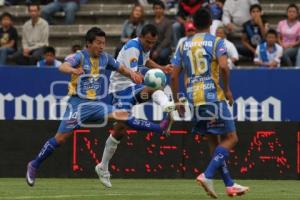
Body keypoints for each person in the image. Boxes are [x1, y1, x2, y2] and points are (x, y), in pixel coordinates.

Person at [25, 27, 172, 187]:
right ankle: (34, 164)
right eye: (98, 43)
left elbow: (121, 68)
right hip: (78, 105)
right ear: (88, 43)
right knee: (60, 139)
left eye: (103, 43)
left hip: (96, 105)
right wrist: (74, 70)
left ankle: (160, 128)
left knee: (124, 117)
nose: (102, 46)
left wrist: (132, 74)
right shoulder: (80, 56)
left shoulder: (105, 58)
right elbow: (62, 67)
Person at [170, 8, 249, 198]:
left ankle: (229, 184)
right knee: (231, 138)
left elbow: (173, 75)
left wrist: (176, 100)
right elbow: (223, 66)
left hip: (193, 98)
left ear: (193, 24)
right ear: (211, 23)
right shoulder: (217, 42)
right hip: (212, 96)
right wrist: (227, 89)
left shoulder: (183, 45)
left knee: (213, 140)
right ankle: (208, 174)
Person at [95, 24, 175, 188]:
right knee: (123, 125)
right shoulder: (133, 47)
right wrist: (154, 76)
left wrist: (161, 68)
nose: (150, 46)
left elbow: (146, 60)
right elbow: (135, 76)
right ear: (141, 36)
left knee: (121, 128)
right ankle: (159, 125)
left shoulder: (144, 47)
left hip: (130, 89)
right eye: (148, 42)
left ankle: (102, 167)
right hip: (119, 91)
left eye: (153, 43)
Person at [150, 0, 173, 65]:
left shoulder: (167, 22)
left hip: (165, 46)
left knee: (162, 55)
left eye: (160, 8)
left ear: (163, 10)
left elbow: (167, 39)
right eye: (156, 8)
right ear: (153, 10)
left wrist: (157, 50)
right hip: (153, 45)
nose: (158, 10)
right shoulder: (151, 22)